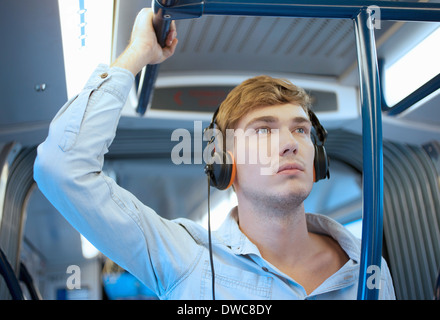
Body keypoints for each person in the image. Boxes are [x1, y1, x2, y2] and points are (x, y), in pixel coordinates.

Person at [34, 8, 395, 299]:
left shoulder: (367, 267)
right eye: (263, 130)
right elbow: (62, 168)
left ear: (317, 160)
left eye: (300, 129)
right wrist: (136, 55)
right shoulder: (185, 258)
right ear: (224, 163)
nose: (290, 143)